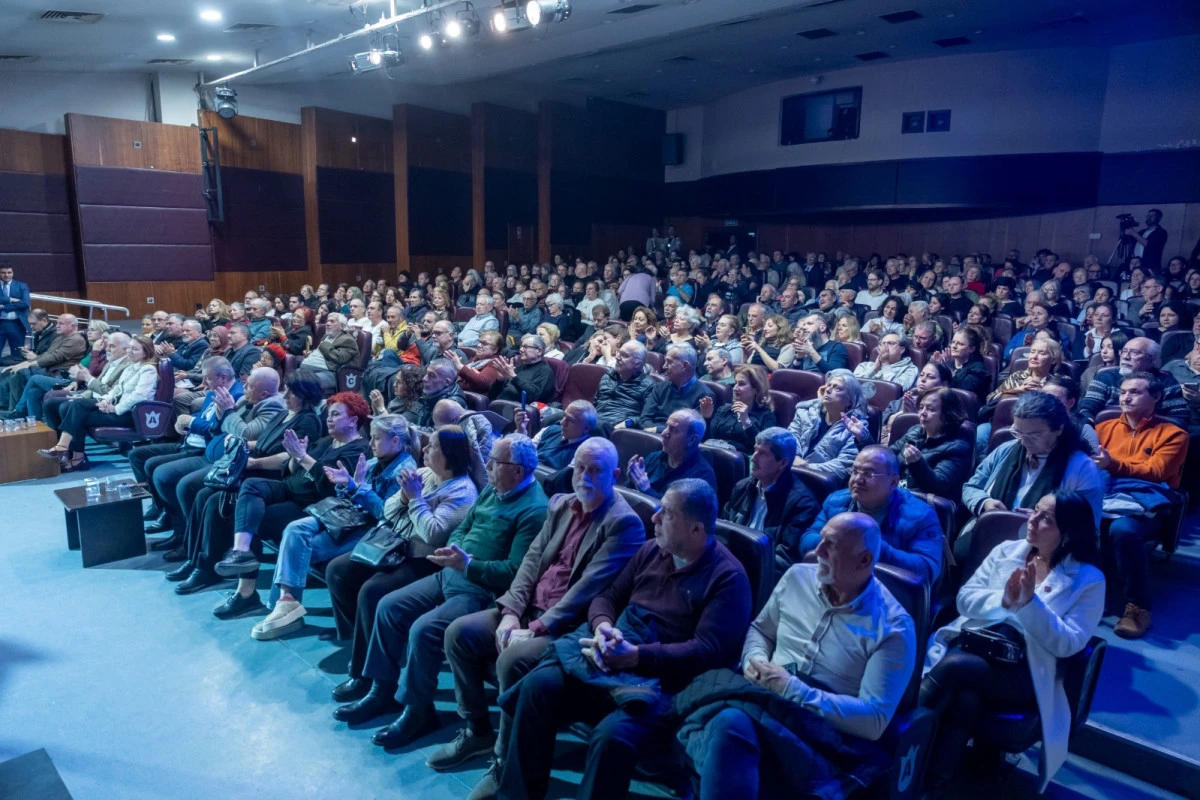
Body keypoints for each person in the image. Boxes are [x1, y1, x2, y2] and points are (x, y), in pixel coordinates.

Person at [495, 479, 752, 800]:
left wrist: (636, 655)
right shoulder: (652, 550)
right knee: (538, 685)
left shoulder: (728, 578)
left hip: (666, 683)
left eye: (667, 513)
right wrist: (603, 627)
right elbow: (608, 597)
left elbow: (707, 651)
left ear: (696, 529)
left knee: (611, 736)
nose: (654, 518)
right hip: (615, 654)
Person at [437, 439, 645, 785]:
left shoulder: (623, 523)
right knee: (458, 634)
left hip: (566, 625)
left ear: (615, 475)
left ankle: (503, 760)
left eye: (595, 470)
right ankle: (477, 729)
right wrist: (510, 612)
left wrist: (535, 628)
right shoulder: (561, 504)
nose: (584, 477)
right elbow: (531, 563)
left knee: (511, 660)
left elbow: (586, 590)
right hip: (528, 609)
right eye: (580, 468)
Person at [679, 512, 916, 800]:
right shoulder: (796, 577)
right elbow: (761, 631)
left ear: (864, 560)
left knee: (726, 727)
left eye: (831, 545)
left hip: (824, 733)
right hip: (764, 697)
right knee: (728, 727)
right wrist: (756, 660)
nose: (817, 550)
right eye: (821, 540)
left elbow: (874, 720)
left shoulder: (893, 628)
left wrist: (793, 689)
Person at [332, 436, 548, 747]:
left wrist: (469, 565)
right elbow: (463, 527)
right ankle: (381, 690)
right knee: (388, 606)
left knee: (424, 629)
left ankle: (418, 710)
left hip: (481, 592)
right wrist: (454, 548)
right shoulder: (493, 489)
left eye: (495, 462)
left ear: (517, 470)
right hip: (451, 573)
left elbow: (516, 573)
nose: (487, 466)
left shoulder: (534, 510)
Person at [921, 491, 1103, 794]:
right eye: (1035, 511)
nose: (1032, 520)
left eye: (1046, 518)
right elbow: (965, 600)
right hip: (977, 643)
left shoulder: (1089, 580)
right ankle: (931, 784)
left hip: (1025, 671)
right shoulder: (1006, 550)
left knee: (954, 667)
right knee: (966, 700)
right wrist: (1004, 601)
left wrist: (1030, 604)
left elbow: (1069, 643)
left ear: (1069, 533)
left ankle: (894, 735)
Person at [326, 425, 481, 702]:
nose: (425, 449)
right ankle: (367, 647)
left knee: (372, 591)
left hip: (427, 560)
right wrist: (406, 498)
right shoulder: (425, 474)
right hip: (396, 546)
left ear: (450, 454)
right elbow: (387, 509)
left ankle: (366, 675)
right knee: (338, 571)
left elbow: (433, 533)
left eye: (433, 446)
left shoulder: (464, 491)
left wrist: (415, 500)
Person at [249, 414, 420, 640]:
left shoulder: (405, 471)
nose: (370, 443)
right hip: (348, 517)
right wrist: (346, 484)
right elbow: (352, 496)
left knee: (301, 548)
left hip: (371, 529)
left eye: (376, 438)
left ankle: (286, 605)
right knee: (295, 529)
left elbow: (386, 514)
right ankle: (285, 602)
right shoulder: (372, 462)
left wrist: (359, 488)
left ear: (395, 441)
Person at [207, 392, 374, 585]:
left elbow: (331, 488)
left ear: (353, 420)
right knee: (251, 485)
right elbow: (290, 470)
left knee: (254, 518)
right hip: (290, 488)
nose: (329, 419)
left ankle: (247, 590)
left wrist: (303, 457)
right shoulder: (326, 441)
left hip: (312, 503)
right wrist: (295, 457)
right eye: (328, 414)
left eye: (335, 414)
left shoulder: (359, 449)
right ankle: (241, 551)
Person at [1094, 372, 1189, 639]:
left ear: (1156, 397)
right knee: (1067, 514)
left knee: (1123, 530)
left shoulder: (1174, 434)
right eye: (1123, 392)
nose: (1126, 397)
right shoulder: (1103, 428)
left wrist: (1112, 464)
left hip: (1147, 501)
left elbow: (1156, 472)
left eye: (1135, 392)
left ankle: (1138, 607)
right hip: (1107, 494)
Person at [959, 392, 1103, 563]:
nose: (1024, 441)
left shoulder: (1082, 468)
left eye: (1034, 435)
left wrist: (1048, 519)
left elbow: (1088, 526)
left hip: (1048, 548)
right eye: (1018, 432)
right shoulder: (1006, 450)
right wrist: (985, 502)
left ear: (1059, 429)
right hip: (994, 531)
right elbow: (971, 487)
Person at [134, 357, 245, 546]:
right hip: (190, 442)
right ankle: (167, 513)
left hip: (204, 450)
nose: (204, 383)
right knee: (142, 458)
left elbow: (217, 428)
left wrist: (191, 422)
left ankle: (181, 530)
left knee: (163, 474)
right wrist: (185, 420)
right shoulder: (215, 391)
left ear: (223, 377)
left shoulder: (235, 396)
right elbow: (204, 416)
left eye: (208, 378)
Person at [798, 446, 943, 585]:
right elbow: (806, 540)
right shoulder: (836, 501)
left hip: (886, 593)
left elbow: (927, 569)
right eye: (855, 471)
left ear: (893, 482)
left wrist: (872, 546)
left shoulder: (921, 515)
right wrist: (839, 543)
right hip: (834, 584)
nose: (857, 479)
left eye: (869, 474)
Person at [36, 335, 159, 472]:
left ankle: (67, 451)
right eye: (130, 348)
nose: (129, 351)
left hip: (131, 414)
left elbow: (139, 396)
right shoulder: (131, 367)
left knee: (77, 410)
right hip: (117, 408)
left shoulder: (148, 369)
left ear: (146, 352)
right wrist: (105, 400)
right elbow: (117, 389)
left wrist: (115, 408)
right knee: (76, 407)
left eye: (135, 349)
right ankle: (73, 456)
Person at [721, 427, 820, 580]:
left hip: (761, 576)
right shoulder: (742, 487)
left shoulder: (802, 504)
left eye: (763, 453)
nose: (753, 458)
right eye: (755, 450)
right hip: (730, 565)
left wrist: (738, 568)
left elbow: (785, 559)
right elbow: (722, 530)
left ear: (782, 463)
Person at [975, 337, 1064, 458]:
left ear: (1053, 359)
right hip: (1002, 423)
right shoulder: (1017, 376)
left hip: (1037, 430)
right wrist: (1018, 390)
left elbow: (1062, 410)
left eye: (1041, 353)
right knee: (980, 432)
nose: (1034, 356)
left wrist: (1042, 393)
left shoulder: (1056, 383)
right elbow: (990, 399)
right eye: (1032, 352)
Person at [1078, 337, 1187, 428]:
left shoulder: (1167, 383)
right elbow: (1086, 410)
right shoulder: (1105, 377)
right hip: (1105, 436)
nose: (1126, 357)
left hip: (1151, 437)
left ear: (1152, 359)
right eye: (1124, 351)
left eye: (1135, 352)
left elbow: (1179, 420)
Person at [889, 387, 973, 502]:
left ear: (947, 414)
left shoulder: (957, 447)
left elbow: (939, 486)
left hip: (922, 502)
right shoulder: (915, 431)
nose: (922, 413)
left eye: (930, 409)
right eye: (921, 407)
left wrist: (917, 464)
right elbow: (889, 455)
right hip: (896, 492)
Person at [787, 369, 869, 482]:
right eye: (828, 385)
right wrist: (795, 457)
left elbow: (843, 465)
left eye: (837, 388)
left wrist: (807, 467)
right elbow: (791, 437)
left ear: (850, 400)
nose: (828, 390)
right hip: (790, 468)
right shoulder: (805, 412)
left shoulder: (856, 427)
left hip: (820, 482)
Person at [0, 313, 85, 412]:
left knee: (20, 374)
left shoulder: (76, 340)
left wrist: (25, 365)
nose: (57, 326)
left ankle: (16, 411)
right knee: (27, 386)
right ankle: (12, 409)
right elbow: (46, 355)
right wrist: (20, 365)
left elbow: (54, 357)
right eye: (57, 323)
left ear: (73, 326)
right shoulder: (60, 338)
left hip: (62, 376)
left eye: (61, 323)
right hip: (50, 371)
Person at [625, 408, 717, 499]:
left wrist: (647, 491)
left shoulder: (702, 477)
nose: (664, 434)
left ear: (692, 440)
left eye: (673, 430)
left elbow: (678, 509)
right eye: (666, 426)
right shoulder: (654, 457)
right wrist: (632, 481)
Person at [627, 343, 713, 433]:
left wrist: (658, 430)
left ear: (685, 366)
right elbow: (644, 418)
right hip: (649, 433)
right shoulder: (659, 387)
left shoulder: (705, 395)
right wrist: (650, 432)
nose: (664, 366)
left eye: (669, 362)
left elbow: (690, 431)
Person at [514, 399, 597, 470]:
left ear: (586, 428)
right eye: (564, 416)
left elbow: (563, 479)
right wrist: (521, 430)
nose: (562, 422)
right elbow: (524, 453)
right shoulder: (549, 430)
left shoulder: (585, 452)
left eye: (570, 420)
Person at [488, 334, 556, 404]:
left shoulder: (545, 371)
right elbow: (492, 396)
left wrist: (514, 378)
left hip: (518, 409)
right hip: (497, 405)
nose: (521, 350)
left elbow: (534, 396)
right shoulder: (520, 367)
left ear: (539, 351)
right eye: (521, 346)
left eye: (525, 347)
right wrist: (499, 380)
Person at [298, 313, 359, 391]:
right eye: (327, 321)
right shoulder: (327, 336)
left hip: (331, 374)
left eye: (332, 321)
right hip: (313, 370)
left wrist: (324, 344)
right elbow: (323, 352)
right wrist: (311, 354)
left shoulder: (348, 340)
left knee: (305, 382)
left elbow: (339, 358)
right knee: (293, 378)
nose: (327, 323)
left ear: (342, 326)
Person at [0, 261, 31, 359]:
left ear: (13, 273)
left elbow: (25, 303)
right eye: (3, 272)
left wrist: (4, 307)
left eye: (9, 272)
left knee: (17, 356)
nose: (6, 275)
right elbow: (20, 303)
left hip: (16, 324)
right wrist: (10, 299)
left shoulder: (22, 286)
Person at [1130, 208, 1168, 273]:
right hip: (1136, 264)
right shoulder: (1142, 232)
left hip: (1150, 266)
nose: (1149, 218)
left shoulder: (1161, 232)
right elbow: (1128, 241)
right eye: (1148, 216)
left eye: (1152, 216)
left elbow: (1150, 245)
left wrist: (1133, 233)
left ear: (1158, 218)